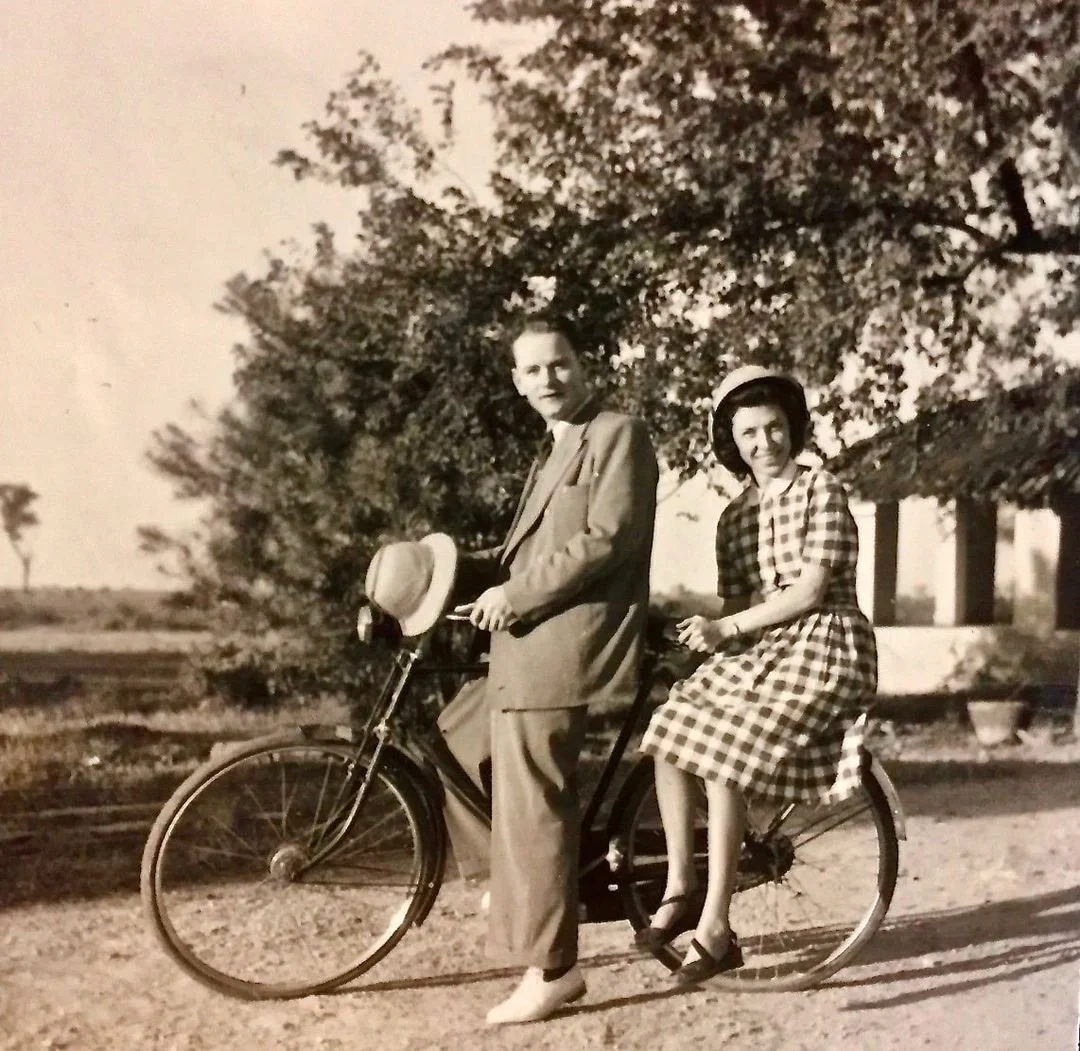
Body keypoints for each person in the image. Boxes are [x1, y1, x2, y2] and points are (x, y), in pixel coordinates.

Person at [434, 312, 658, 1025]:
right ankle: (520, 883)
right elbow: (519, 556)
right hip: (529, 636)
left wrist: (515, 596)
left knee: (536, 802)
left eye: (559, 363)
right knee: (455, 736)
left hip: (567, 638)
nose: (548, 378)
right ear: (517, 381)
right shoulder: (554, 447)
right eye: (532, 369)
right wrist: (433, 576)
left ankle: (554, 969)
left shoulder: (616, 434)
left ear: (583, 365)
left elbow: (607, 539)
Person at [636, 364, 878, 985]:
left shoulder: (821, 490)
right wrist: (702, 636)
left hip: (825, 645)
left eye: (774, 427)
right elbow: (737, 604)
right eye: (749, 433)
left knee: (724, 752)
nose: (764, 442)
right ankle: (682, 886)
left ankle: (716, 930)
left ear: (792, 428)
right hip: (764, 650)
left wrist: (729, 629)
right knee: (668, 729)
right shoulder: (734, 517)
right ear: (732, 442)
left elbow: (809, 591)